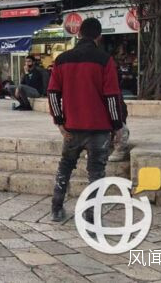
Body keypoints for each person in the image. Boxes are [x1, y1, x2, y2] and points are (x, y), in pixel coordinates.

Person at [47, 18, 123, 222]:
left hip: (72, 127)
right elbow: (112, 97)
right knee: (96, 173)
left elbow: (53, 93)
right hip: (99, 129)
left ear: (78, 34)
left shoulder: (62, 60)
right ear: (99, 37)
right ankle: (91, 216)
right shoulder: (105, 60)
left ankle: (56, 209)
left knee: (65, 167)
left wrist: (59, 121)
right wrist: (117, 126)